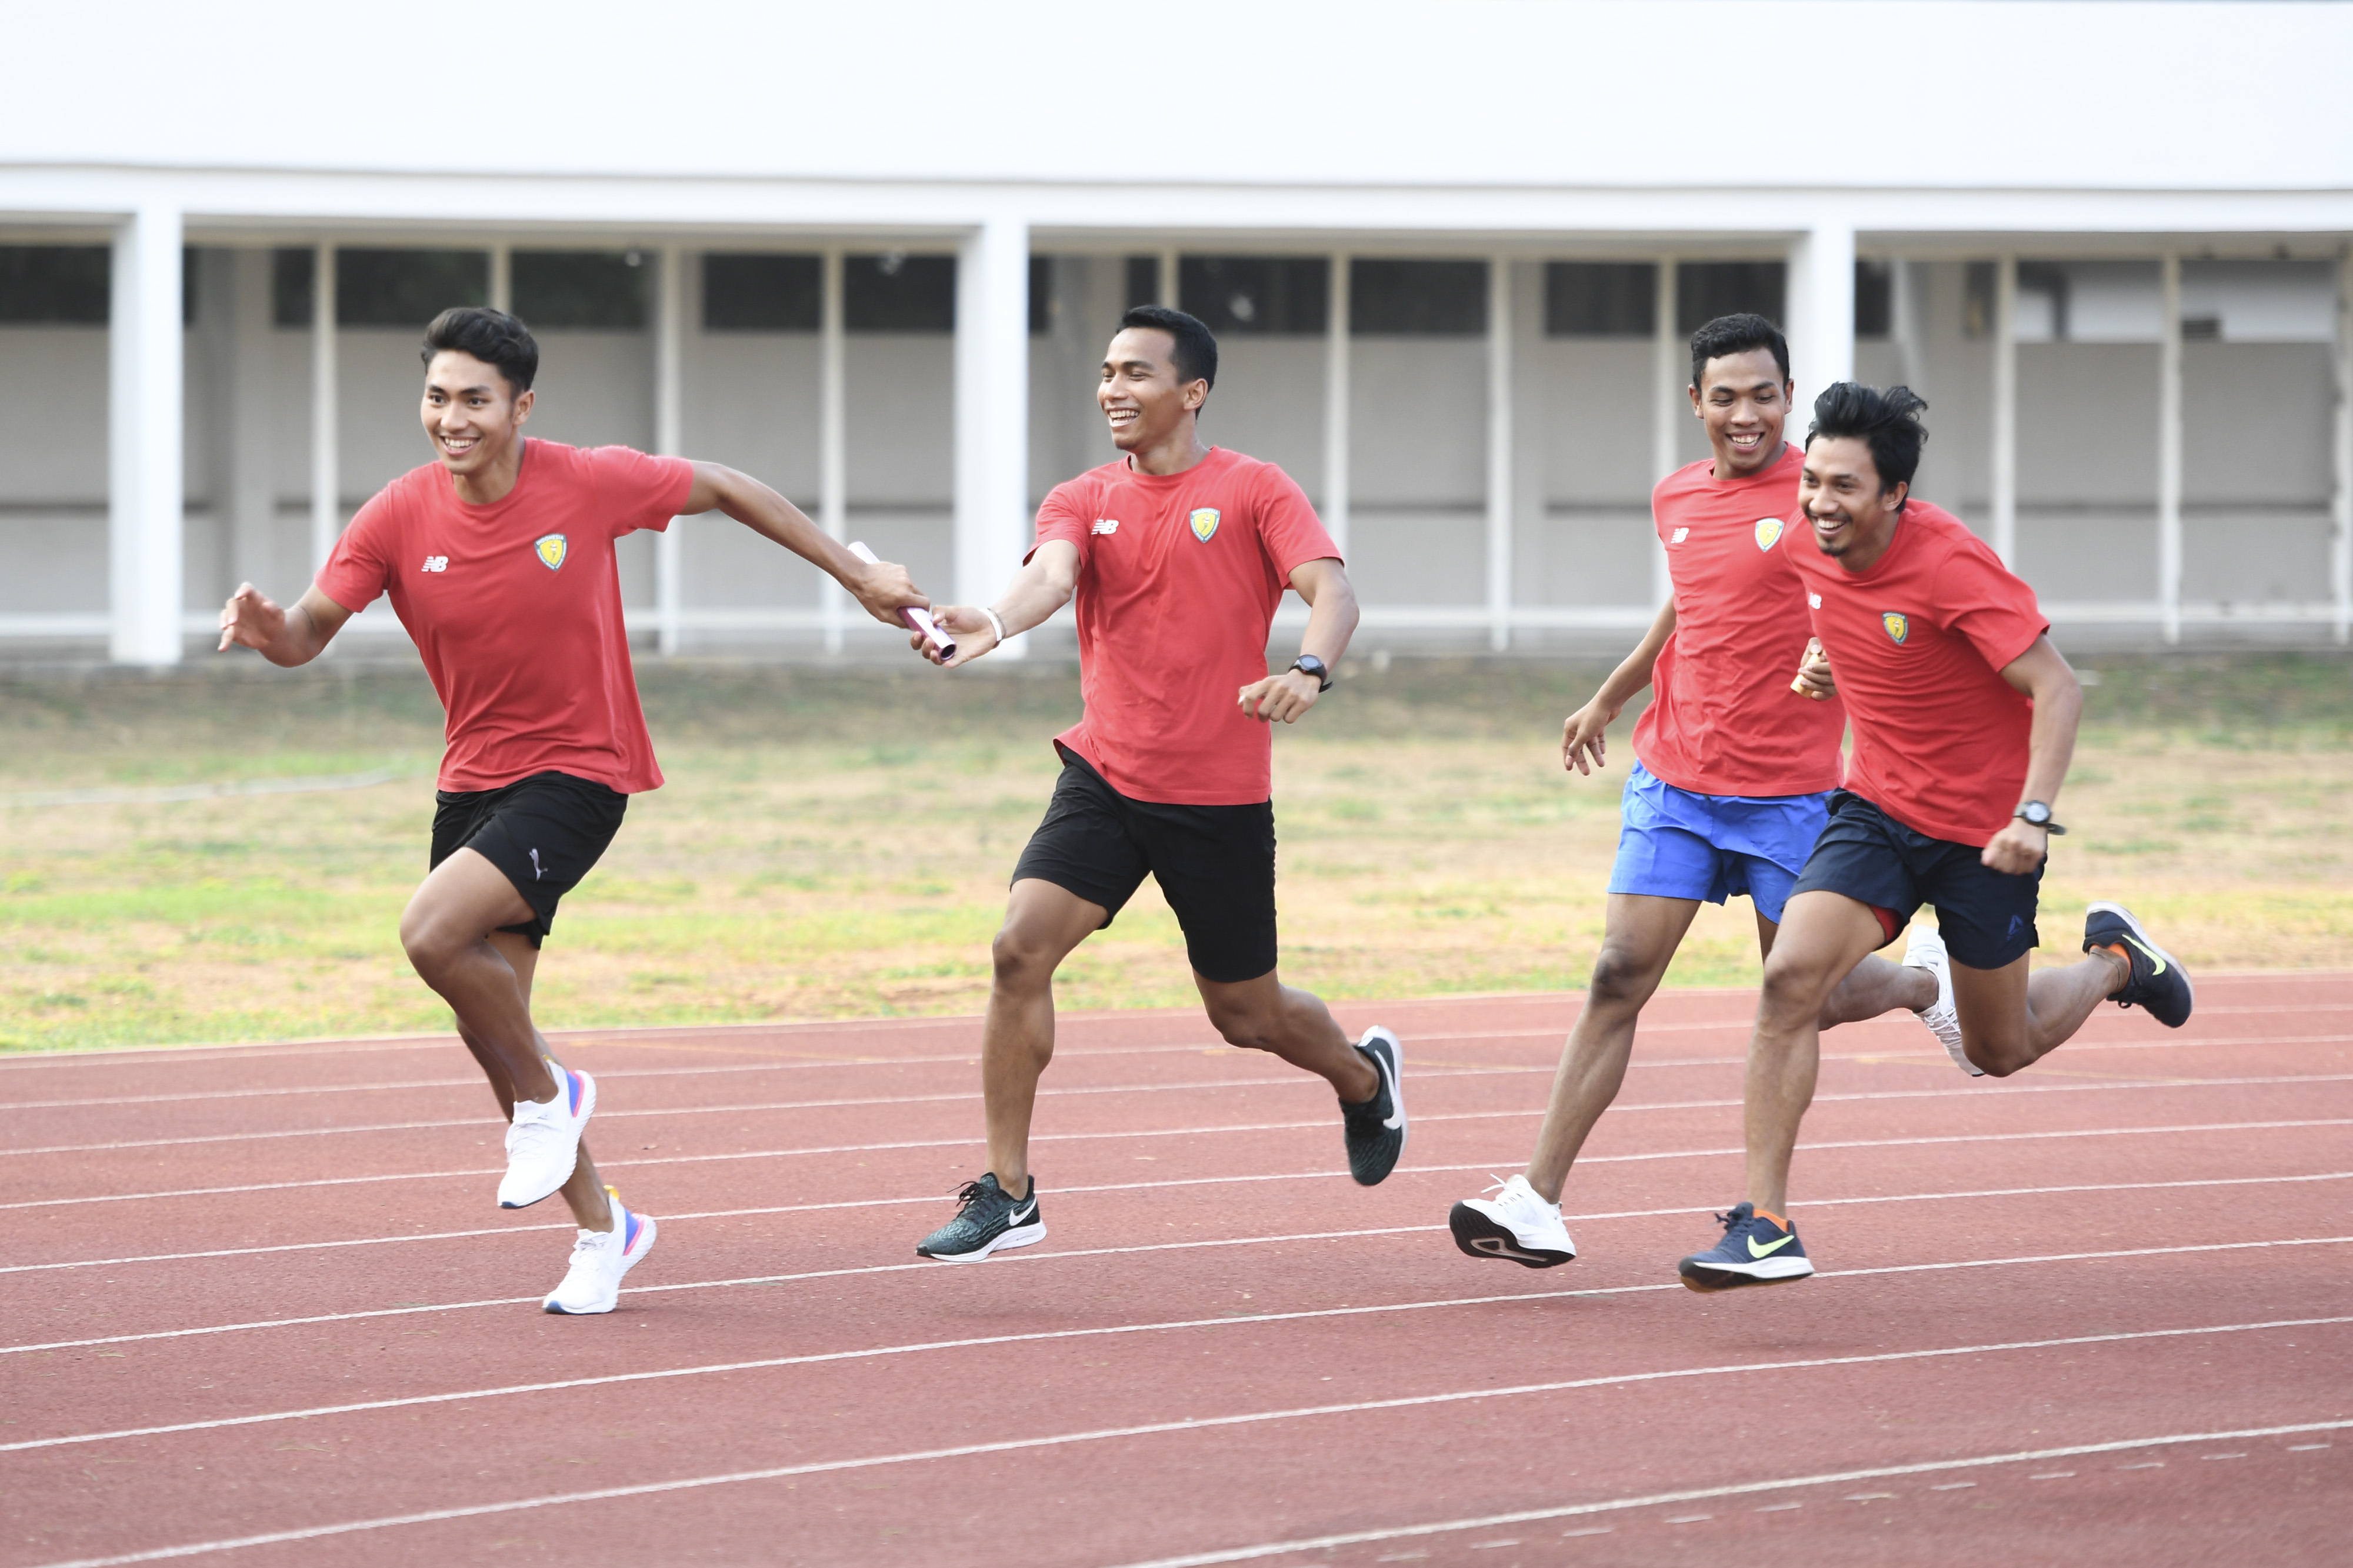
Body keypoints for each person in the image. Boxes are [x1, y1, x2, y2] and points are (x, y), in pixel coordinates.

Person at [216, 306, 927, 1313]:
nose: (451, 418)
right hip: (470, 784)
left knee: (430, 933)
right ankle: (607, 1229)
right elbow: (305, 637)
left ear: (520, 406)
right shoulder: (395, 514)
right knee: (492, 1024)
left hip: (581, 773)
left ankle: (555, 1096)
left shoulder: (586, 480)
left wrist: (853, 572)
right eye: (436, 396)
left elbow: (725, 485)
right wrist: (263, 627)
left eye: (474, 399)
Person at [1449, 315, 1954, 1272]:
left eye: (1765, 394)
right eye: (1725, 396)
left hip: (1792, 796)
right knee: (1616, 974)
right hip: (1676, 778)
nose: (1746, 413)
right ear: (1697, 404)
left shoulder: (1825, 497)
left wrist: (1833, 653)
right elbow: (1691, 599)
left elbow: (1888, 601)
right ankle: (1539, 1200)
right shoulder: (1675, 495)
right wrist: (1611, 692)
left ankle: (1923, 982)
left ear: (1789, 398)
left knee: (1815, 995)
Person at [901, 304, 1402, 1262]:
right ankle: (1008, 1191)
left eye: (1136, 373)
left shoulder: (1255, 489)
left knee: (1245, 1014)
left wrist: (1308, 670)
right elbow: (1050, 580)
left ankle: (1362, 1078)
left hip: (1216, 798)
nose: (1112, 390)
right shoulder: (1081, 497)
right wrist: (996, 626)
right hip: (1107, 775)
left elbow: (1332, 589)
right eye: (1106, 372)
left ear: (1192, 391)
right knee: (1018, 949)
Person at [1674, 382, 2194, 1292]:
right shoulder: (1805, 540)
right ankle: (1767, 1224)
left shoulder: (1953, 564)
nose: (1819, 503)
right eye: (1815, 482)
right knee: (1792, 979)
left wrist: (2033, 816)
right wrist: (1825, 653)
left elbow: (2058, 686)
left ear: (1894, 496)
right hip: (1874, 809)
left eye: (1844, 487)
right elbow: (1838, 608)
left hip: (1985, 833)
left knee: (2002, 1049)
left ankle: (2115, 960)